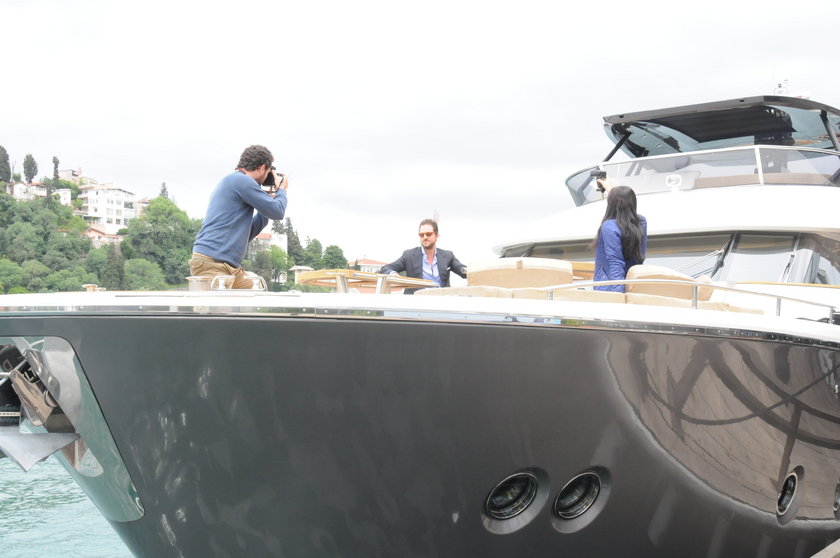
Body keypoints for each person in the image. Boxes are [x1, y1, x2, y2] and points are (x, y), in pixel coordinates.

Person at [189, 145, 288, 289]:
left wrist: (266, 203)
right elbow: (278, 212)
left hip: (228, 266)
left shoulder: (234, 182)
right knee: (221, 304)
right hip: (212, 263)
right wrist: (282, 190)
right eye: (268, 172)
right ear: (262, 168)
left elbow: (246, 234)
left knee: (256, 290)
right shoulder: (241, 181)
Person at [380, 218, 467, 293]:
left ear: (437, 236)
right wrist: (394, 274)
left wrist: (470, 271)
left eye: (428, 234)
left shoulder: (447, 256)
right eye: (421, 235)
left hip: (441, 301)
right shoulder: (409, 256)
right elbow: (385, 268)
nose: (425, 237)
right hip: (417, 302)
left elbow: (462, 270)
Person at [592, 184, 647, 292]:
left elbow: (615, 261)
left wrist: (618, 293)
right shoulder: (641, 222)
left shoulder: (608, 226)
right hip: (632, 285)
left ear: (611, 204)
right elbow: (640, 256)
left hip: (609, 287)